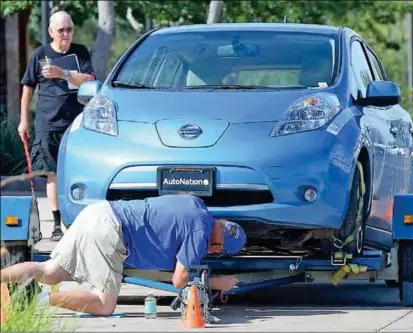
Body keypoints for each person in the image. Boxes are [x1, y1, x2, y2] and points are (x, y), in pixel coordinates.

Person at [0, 194, 247, 316]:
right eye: (217, 250)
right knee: (105, 304)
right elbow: (179, 280)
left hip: (98, 211)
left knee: (50, 272)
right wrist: (217, 282)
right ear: (218, 246)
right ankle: (36, 300)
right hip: (110, 231)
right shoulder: (200, 232)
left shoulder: (197, 204)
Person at [18, 10, 95, 242]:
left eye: (69, 29)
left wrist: (62, 73)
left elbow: (89, 79)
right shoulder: (41, 54)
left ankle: (79, 220)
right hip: (47, 122)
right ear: (51, 32)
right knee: (52, 174)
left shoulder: (79, 51)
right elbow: (28, 88)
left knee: (77, 172)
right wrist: (23, 120)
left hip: (76, 122)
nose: (65, 34)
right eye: (61, 30)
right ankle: (56, 223)